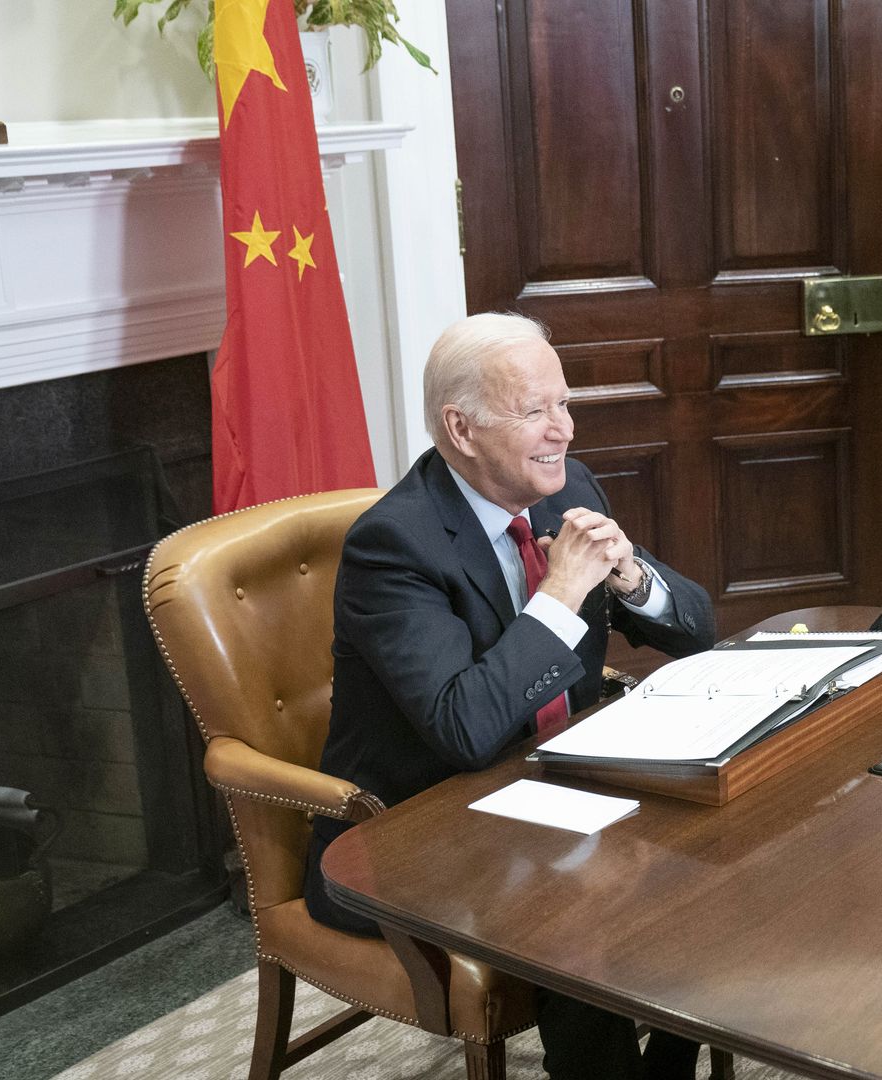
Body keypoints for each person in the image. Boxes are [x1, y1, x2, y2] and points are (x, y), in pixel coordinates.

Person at [304, 311, 717, 1080]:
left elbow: (696, 628)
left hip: (555, 788)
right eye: (535, 412)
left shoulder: (565, 488)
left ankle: (668, 1057)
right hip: (421, 829)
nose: (563, 430)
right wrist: (560, 596)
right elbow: (465, 729)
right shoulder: (393, 546)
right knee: (576, 912)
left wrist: (630, 577)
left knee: (722, 843)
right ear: (460, 428)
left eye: (563, 404)